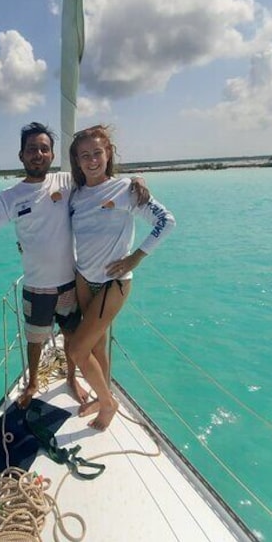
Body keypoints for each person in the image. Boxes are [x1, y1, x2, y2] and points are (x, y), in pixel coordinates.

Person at [0, 122, 150, 409]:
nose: (38, 153)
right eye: (32, 149)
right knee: (34, 341)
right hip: (36, 284)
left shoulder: (67, 181)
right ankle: (33, 382)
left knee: (74, 339)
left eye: (44, 148)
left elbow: (101, 177)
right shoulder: (9, 196)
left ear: (51, 155)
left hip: (71, 282)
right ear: (21, 155)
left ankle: (72, 379)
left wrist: (137, 179)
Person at [66, 124, 176, 430]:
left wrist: (136, 257)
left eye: (97, 153)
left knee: (77, 349)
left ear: (108, 153)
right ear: (76, 160)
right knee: (97, 347)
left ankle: (108, 404)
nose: (91, 160)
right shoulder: (75, 195)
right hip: (83, 279)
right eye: (84, 155)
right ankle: (104, 394)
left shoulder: (127, 189)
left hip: (114, 282)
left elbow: (166, 222)